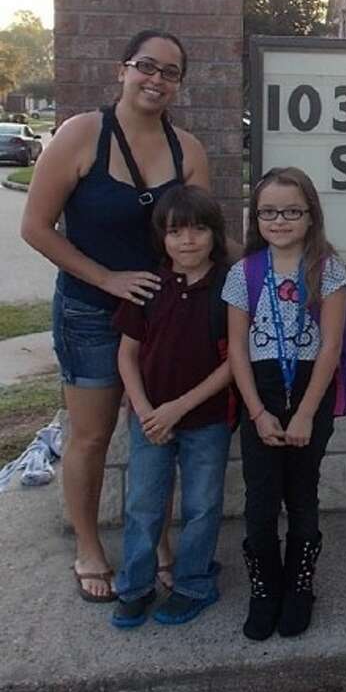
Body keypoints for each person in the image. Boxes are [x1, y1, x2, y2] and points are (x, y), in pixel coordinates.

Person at [21, 30, 210, 603]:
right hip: (90, 313)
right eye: (146, 67)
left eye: (170, 72)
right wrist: (107, 279)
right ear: (122, 69)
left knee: (159, 432)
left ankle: (154, 542)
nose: (156, 79)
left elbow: (202, 232)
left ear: (179, 83)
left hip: (163, 320)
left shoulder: (188, 151)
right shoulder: (81, 134)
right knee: (92, 435)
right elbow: (35, 228)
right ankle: (88, 546)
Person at [223, 167, 346, 640]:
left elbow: (331, 348)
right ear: (256, 218)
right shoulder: (244, 273)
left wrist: (303, 413)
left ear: (310, 215)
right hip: (261, 391)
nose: (279, 221)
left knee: (301, 495)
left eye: (291, 211)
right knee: (259, 502)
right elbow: (236, 350)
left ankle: (299, 588)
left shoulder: (328, 270)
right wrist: (257, 412)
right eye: (269, 212)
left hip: (308, 391)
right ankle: (265, 588)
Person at [110, 185, 234, 628]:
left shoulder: (229, 288)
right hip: (149, 420)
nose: (188, 241)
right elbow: (126, 354)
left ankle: (193, 583)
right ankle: (136, 587)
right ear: (161, 237)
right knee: (144, 504)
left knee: (202, 504)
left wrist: (177, 408)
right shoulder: (146, 288)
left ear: (214, 234)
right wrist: (146, 410)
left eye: (199, 229)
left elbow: (234, 363)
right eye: (176, 231)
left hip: (207, 419)